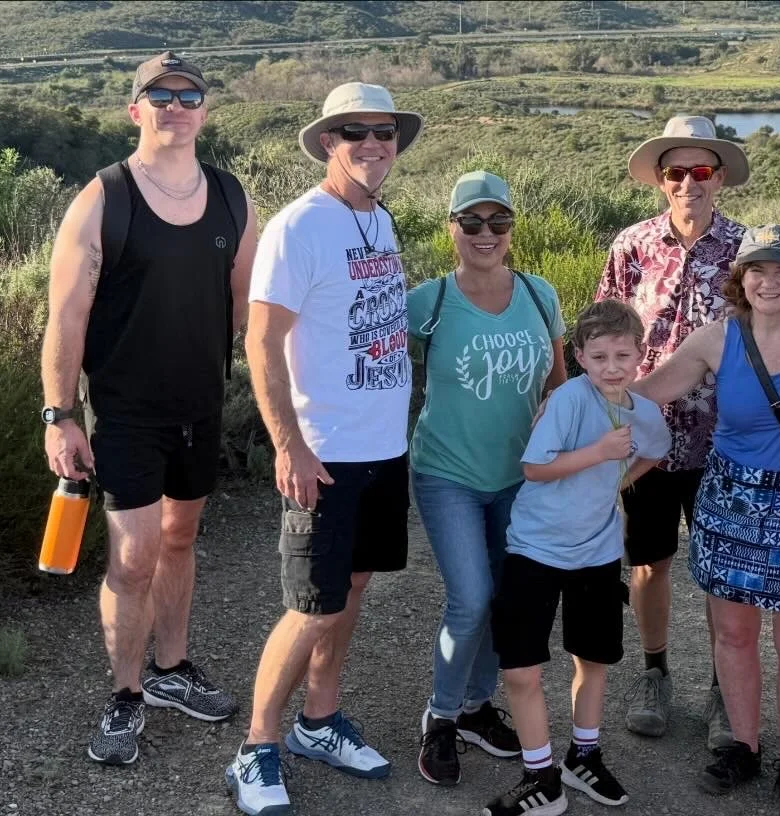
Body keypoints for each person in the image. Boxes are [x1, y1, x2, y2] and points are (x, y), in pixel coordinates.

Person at [40, 51, 257, 766]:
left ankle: (171, 670)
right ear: (136, 110)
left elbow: (243, 309)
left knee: (179, 540)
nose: (176, 107)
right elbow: (66, 318)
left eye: (189, 95)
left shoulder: (231, 197)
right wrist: (59, 415)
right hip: (124, 411)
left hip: (200, 406)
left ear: (204, 109)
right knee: (133, 559)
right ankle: (126, 695)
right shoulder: (103, 198)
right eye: (160, 97)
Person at [227, 82, 424, 815]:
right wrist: (290, 446)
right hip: (326, 452)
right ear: (327, 143)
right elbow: (261, 341)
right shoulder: (299, 226)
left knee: (353, 587)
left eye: (384, 132)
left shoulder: (378, 218)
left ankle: (318, 719)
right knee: (311, 604)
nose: (372, 144)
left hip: (383, 447)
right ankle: (256, 748)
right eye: (354, 132)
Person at [633, 224, 780, 814]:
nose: (769, 280)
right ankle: (744, 745)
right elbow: (647, 391)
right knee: (733, 635)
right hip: (729, 503)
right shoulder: (718, 338)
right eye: (758, 269)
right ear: (741, 277)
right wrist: (573, 397)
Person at [481, 300, 671, 816]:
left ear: (641, 355)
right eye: (599, 356)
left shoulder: (645, 412)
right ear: (580, 357)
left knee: (592, 660)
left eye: (623, 356)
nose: (612, 367)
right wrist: (600, 454)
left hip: (597, 554)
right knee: (521, 668)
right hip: (535, 549)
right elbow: (535, 468)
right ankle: (539, 775)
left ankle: (582, 756)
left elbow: (655, 449)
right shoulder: (567, 400)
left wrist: (617, 480)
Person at [409, 170, 567, 785]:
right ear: (451, 228)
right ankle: (441, 717)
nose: (486, 232)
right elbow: (371, 365)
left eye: (498, 220)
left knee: (504, 598)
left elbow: (557, 386)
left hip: (520, 478)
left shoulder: (538, 294)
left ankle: (476, 708)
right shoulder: (428, 302)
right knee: (471, 598)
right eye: (471, 221)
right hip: (446, 473)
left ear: (511, 228)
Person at [596, 114, 748, 746]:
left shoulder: (748, 251)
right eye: (676, 172)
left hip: (725, 439)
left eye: (701, 170)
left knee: (722, 570)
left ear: (719, 177)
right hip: (646, 437)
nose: (689, 183)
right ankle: (654, 672)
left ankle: (724, 688)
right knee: (648, 562)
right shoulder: (631, 246)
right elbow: (604, 329)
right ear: (661, 180)